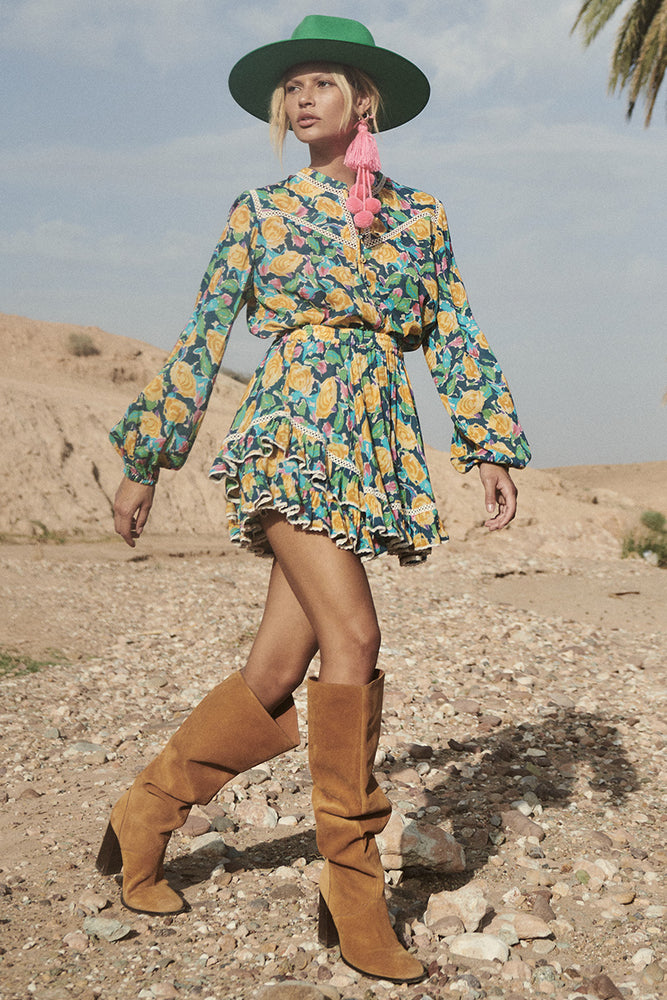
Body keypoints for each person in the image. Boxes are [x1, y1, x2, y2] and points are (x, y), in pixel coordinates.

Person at [96, 14, 531, 985]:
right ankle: (353, 888)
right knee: (356, 637)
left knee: (273, 671)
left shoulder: (420, 217)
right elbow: (204, 332)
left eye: (322, 82)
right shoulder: (261, 211)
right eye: (291, 87)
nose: (302, 98)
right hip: (289, 433)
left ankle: (145, 812)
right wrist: (148, 458)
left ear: (362, 101)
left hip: (368, 447)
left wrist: (488, 445)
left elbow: (454, 331)